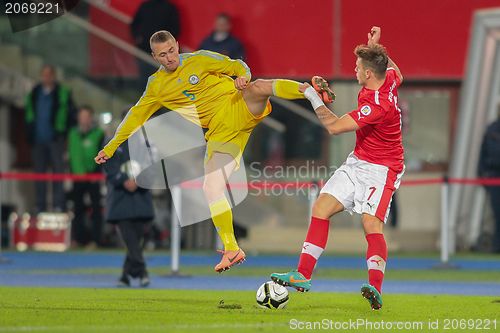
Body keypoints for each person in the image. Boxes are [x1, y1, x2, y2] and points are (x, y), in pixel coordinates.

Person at [94, 30, 334, 273]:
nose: (170, 58)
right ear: (154, 57)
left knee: (258, 86)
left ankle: (309, 91)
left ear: (178, 45)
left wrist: (243, 76)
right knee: (211, 187)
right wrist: (111, 146)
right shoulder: (156, 87)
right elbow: (136, 116)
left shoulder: (200, 59)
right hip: (221, 134)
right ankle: (232, 248)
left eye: (172, 51)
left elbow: (237, 65)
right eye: (163, 55)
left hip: (237, 104)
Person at [271, 26, 404, 311]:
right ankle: (303, 275)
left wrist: (312, 96)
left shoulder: (377, 106)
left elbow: (333, 127)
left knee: (371, 223)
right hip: (358, 161)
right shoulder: (387, 79)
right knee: (321, 207)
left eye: (358, 67)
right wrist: (377, 51)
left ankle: (375, 288)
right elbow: (397, 73)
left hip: (382, 169)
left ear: (368, 73)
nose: (355, 70)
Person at [104, 124, 154, 287]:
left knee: (134, 240)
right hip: (121, 200)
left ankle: (125, 276)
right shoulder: (114, 145)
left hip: (140, 200)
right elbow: (109, 168)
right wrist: (123, 180)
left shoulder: (147, 146)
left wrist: (137, 181)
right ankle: (143, 271)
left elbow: (153, 169)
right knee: (131, 240)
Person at [25, 64, 75, 213]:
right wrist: (30, 134)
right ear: (41, 76)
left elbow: (70, 114)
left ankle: (58, 205)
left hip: (56, 139)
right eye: (44, 74)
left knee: (58, 172)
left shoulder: (63, 92)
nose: (47, 77)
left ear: (54, 76)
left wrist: (64, 134)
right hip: (38, 140)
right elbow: (29, 115)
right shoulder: (34, 93)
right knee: (39, 174)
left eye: (49, 74)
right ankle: (40, 205)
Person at [68, 106, 105, 248]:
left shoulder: (98, 133)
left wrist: (97, 172)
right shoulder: (72, 133)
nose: (84, 119)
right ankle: (78, 239)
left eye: (87, 116)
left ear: (91, 118)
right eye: (82, 116)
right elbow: (72, 154)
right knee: (77, 209)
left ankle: (96, 240)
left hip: (93, 176)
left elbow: (103, 154)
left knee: (96, 209)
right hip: (77, 177)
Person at [131, 0, 181, 84]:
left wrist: (166, 46)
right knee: (145, 78)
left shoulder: (170, 9)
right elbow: (134, 25)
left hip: (162, 53)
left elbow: (175, 30)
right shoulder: (146, 5)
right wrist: (138, 38)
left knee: (160, 79)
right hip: (143, 49)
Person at [478, 113, 500, 254]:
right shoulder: (492, 129)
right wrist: (482, 175)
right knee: (497, 213)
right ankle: (497, 246)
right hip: (494, 177)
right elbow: (483, 155)